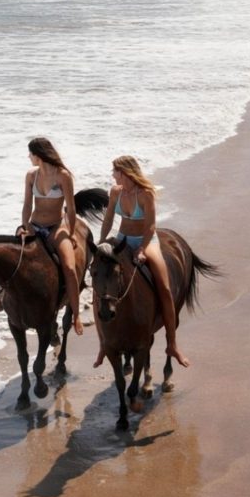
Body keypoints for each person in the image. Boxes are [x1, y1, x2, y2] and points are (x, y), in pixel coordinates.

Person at [93, 155, 190, 368]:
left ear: (125, 172)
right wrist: (101, 242)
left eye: (115, 171)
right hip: (121, 240)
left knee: (164, 288)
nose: (112, 175)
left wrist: (143, 249)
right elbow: (109, 218)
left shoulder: (145, 194)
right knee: (100, 282)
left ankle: (172, 344)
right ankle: (103, 345)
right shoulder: (115, 192)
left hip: (145, 241)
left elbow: (151, 226)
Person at [0, 137, 83, 339]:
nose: (28, 157)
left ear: (38, 154)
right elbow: (26, 205)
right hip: (34, 225)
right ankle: (0, 299)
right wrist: (25, 227)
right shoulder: (31, 175)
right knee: (13, 260)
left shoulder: (63, 176)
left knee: (68, 267)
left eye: (30, 154)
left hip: (56, 227)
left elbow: (71, 208)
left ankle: (76, 314)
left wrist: (71, 232)